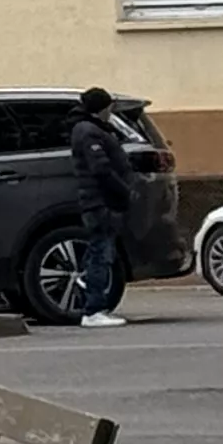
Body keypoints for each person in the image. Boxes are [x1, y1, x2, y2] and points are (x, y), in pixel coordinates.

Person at [66, 87, 135, 326]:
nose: (110, 112)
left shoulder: (90, 129)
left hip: (100, 201)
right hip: (100, 202)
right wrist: (123, 191)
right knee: (101, 254)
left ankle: (90, 290)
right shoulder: (88, 131)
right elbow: (101, 168)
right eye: (109, 108)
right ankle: (93, 310)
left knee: (99, 251)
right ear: (101, 108)